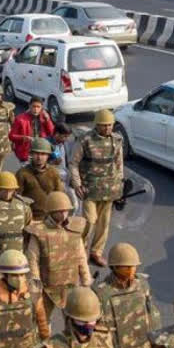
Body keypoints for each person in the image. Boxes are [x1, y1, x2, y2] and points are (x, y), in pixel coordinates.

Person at [94, 243, 161, 348]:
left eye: (134, 266)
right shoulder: (101, 293)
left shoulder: (142, 285)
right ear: (115, 267)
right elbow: (96, 331)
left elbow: (152, 315)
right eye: (127, 267)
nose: (132, 270)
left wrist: (155, 346)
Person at [68, 108, 124, 267]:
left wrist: (120, 185)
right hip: (89, 189)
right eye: (103, 125)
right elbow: (73, 163)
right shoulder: (85, 140)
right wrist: (77, 184)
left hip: (109, 189)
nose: (107, 128)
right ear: (96, 125)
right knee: (90, 221)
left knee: (103, 223)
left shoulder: (117, 140)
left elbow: (119, 164)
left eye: (109, 125)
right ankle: (81, 250)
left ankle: (96, 252)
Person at [24, 191, 90, 320]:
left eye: (66, 210)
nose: (64, 214)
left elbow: (81, 257)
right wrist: (35, 287)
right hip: (47, 288)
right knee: (41, 320)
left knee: (74, 319)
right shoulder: (39, 232)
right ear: (51, 212)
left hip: (71, 285)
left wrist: (86, 280)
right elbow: (32, 260)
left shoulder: (74, 230)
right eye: (60, 211)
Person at [16, 138, 64, 221]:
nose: (39, 157)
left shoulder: (54, 173)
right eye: (36, 153)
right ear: (31, 154)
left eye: (43, 154)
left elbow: (59, 196)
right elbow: (17, 199)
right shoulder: (22, 173)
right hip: (29, 218)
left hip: (49, 218)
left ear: (48, 156)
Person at [8, 96, 55, 164]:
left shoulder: (44, 117)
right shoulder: (20, 119)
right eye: (34, 106)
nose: (36, 109)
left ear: (42, 107)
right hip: (27, 153)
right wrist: (25, 138)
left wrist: (48, 120)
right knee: (27, 174)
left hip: (42, 152)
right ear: (29, 106)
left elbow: (52, 133)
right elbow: (11, 136)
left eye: (38, 107)